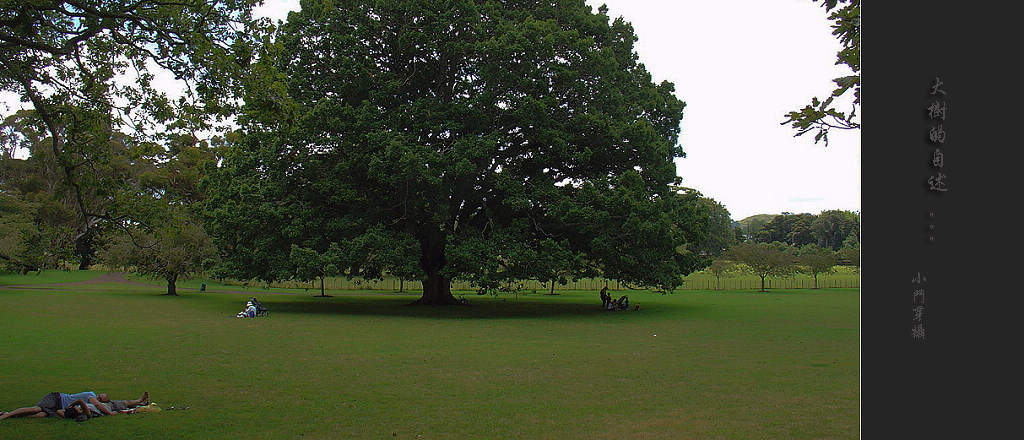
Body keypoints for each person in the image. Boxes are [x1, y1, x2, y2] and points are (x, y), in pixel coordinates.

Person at [0, 391, 148, 420]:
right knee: (36, 408)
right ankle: (7, 415)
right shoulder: (90, 396)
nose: (101, 397)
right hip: (56, 398)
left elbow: (59, 412)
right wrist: (110, 414)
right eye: (102, 396)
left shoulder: (98, 405)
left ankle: (8, 415)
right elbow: (86, 403)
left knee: (41, 414)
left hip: (62, 408)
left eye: (103, 398)